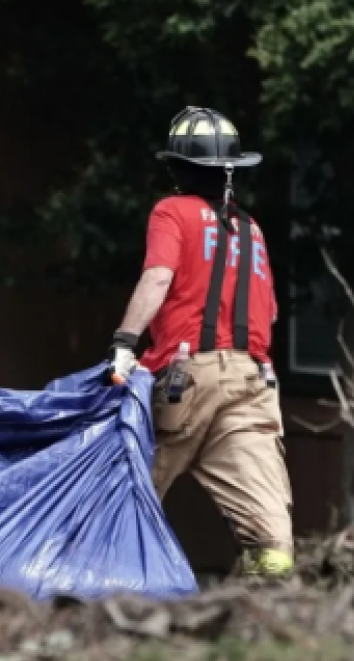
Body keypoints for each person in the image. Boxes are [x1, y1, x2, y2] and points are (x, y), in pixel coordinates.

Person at [107, 106, 294, 576]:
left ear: (177, 167)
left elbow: (157, 278)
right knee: (271, 538)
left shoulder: (171, 212)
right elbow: (268, 312)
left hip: (185, 381)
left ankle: (92, 600)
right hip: (252, 386)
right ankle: (262, 625)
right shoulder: (253, 230)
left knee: (122, 495)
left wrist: (125, 343)